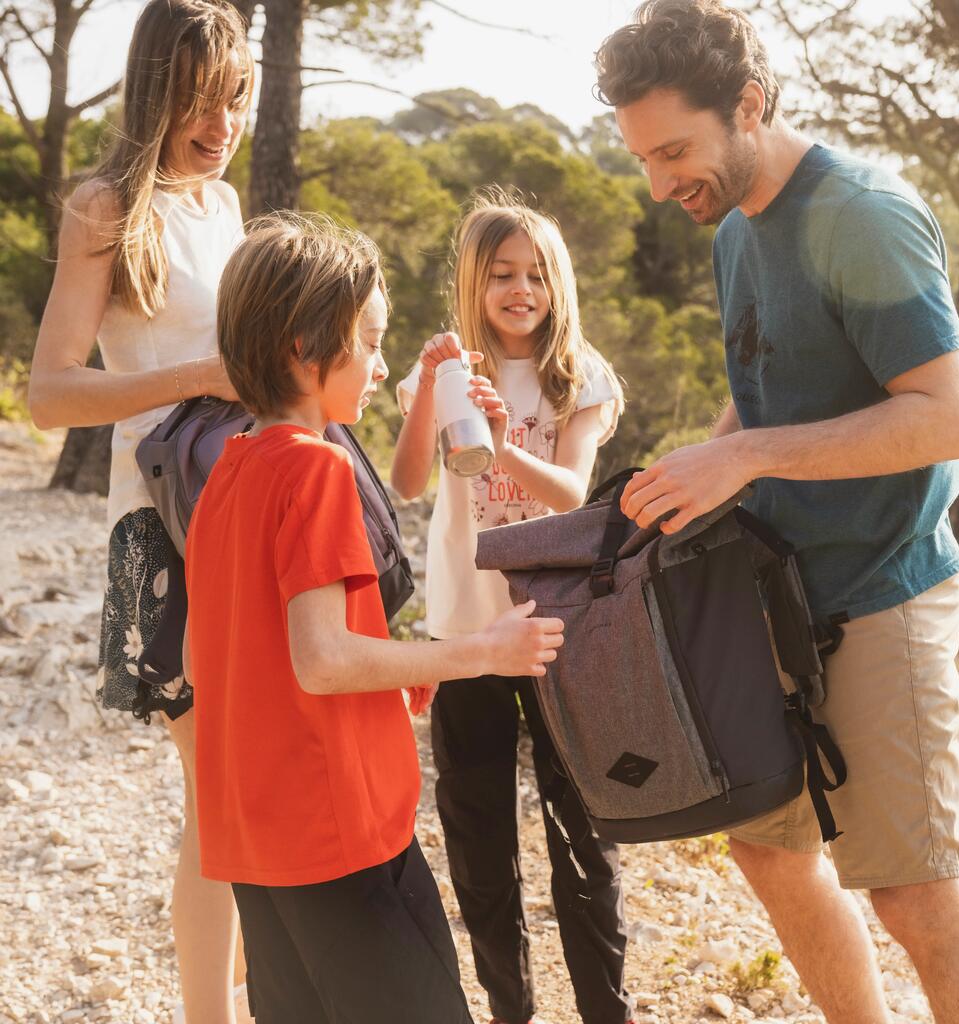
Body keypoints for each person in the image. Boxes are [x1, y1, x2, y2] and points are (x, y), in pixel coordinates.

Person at [595, 3, 959, 1023]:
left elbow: (945, 416)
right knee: (765, 848)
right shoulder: (735, 224)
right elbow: (765, 384)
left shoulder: (861, 216)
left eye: (672, 152)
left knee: (916, 896)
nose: (658, 186)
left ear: (748, 105)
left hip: (879, 592)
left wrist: (741, 455)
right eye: (641, 160)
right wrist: (702, 464)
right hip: (771, 597)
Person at [183, 212, 565, 1024]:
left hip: (251, 834)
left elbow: (223, 651)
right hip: (338, 833)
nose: (381, 361)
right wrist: (480, 652)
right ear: (302, 344)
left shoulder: (227, 470)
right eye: (368, 339)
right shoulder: (317, 468)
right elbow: (321, 661)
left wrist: (392, 675)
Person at [28, 2, 255, 1021]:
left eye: (237, 98)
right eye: (198, 103)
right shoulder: (103, 207)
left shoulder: (225, 208)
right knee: (218, 790)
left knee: (245, 788)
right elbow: (47, 392)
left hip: (249, 530)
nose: (219, 125)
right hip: (157, 538)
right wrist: (200, 376)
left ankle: (247, 998)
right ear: (154, 93)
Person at [391, 192, 634, 1024]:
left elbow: (572, 492)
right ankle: (509, 1009)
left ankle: (608, 1009)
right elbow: (410, 480)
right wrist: (432, 387)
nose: (519, 288)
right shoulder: (453, 373)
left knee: (582, 834)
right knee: (478, 832)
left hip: (557, 626)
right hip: (466, 630)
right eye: (501, 274)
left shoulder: (580, 376)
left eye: (536, 274)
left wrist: (503, 450)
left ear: (558, 284)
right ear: (474, 282)